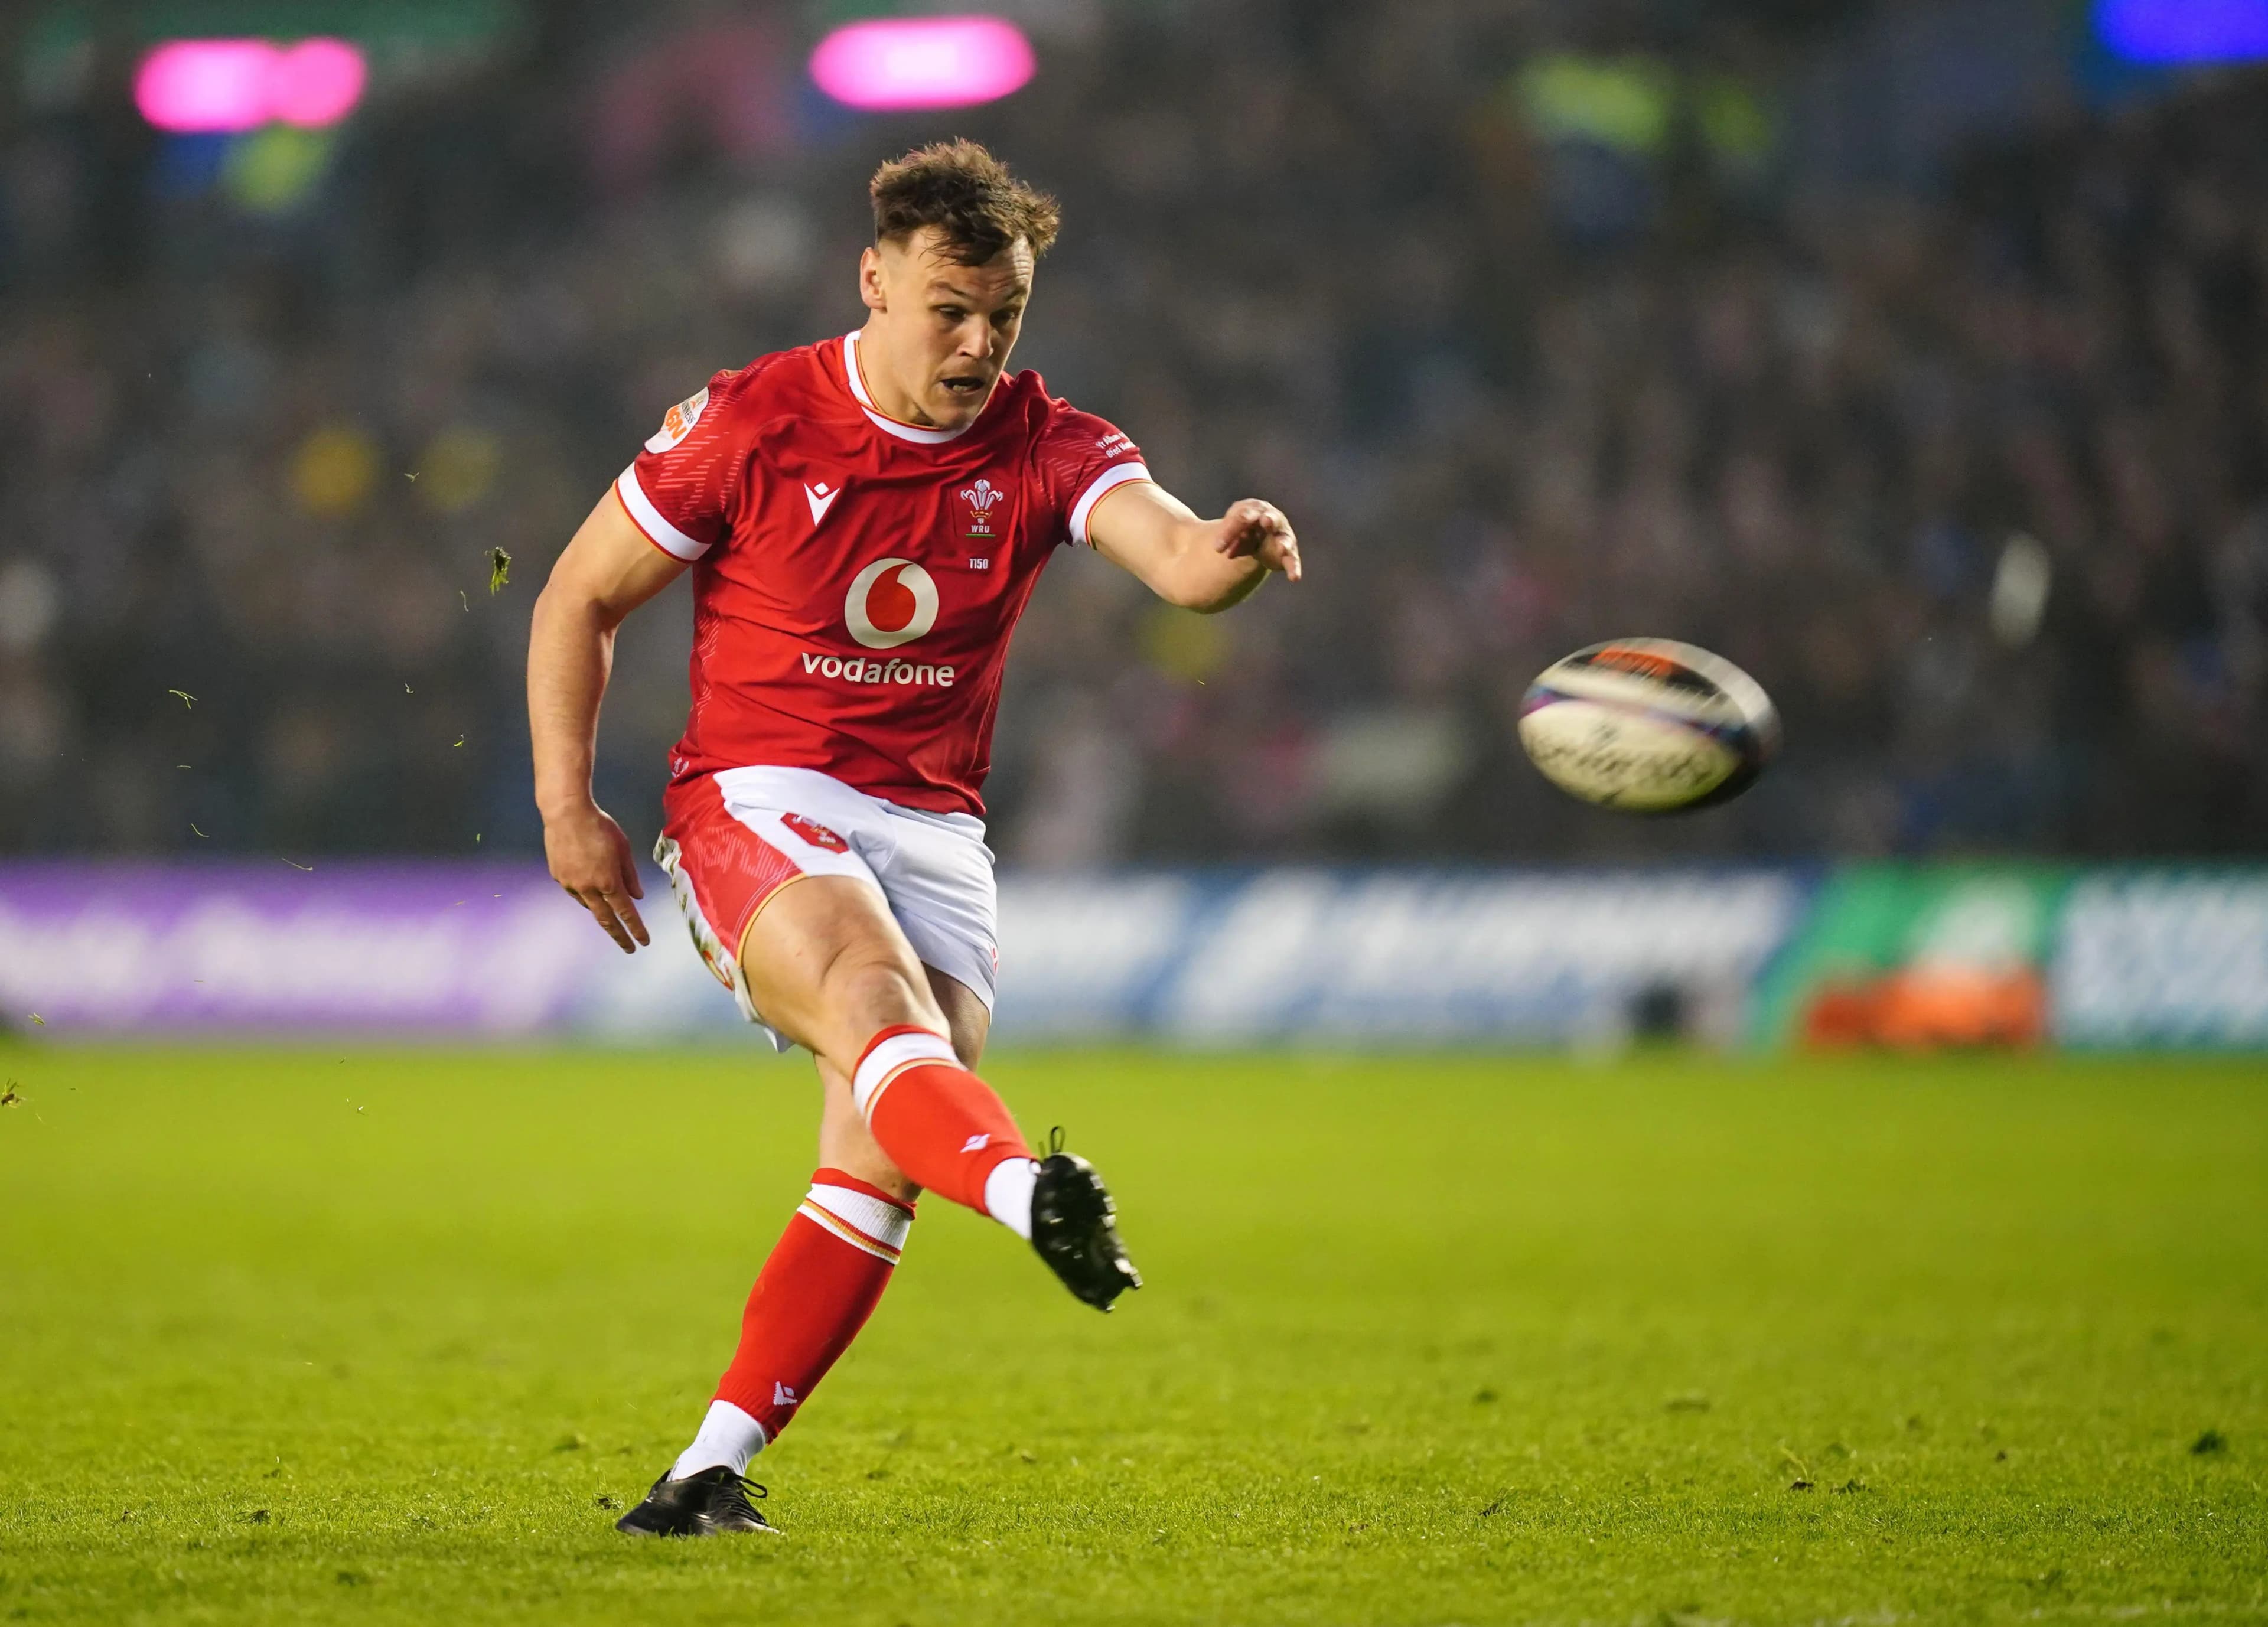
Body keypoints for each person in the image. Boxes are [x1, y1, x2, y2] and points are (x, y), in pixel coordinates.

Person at [525, 139, 1302, 1537]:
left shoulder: (1051, 441)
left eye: (1003, 314)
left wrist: (1234, 545)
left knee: (882, 1145)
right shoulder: (751, 420)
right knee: (882, 1015)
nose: (977, 343)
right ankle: (1031, 1195)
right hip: (758, 794)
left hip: (936, 827)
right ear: (873, 283)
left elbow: (1178, 560)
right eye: (949, 308)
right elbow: (579, 596)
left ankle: (706, 1473)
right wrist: (564, 804)